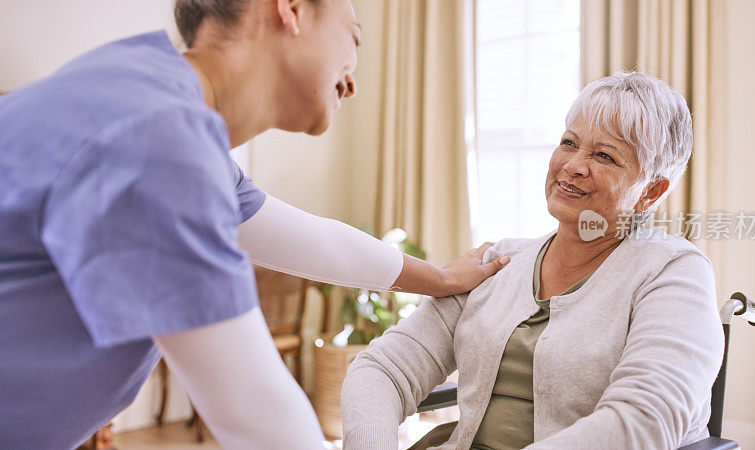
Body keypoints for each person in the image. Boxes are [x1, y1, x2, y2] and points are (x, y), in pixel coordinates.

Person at [0, 0, 509, 448]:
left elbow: (320, 243)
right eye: (352, 37)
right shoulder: (157, 137)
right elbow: (253, 413)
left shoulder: (151, 99)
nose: (353, 80)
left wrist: (438, 278)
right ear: (290, 8)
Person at [341, 72, 726, 449]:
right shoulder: (497, 262)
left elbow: (645, 420)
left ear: (651, 192)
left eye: (604, 155)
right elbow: (382, 369)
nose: (573, 165)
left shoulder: (674, 272)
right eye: (569, 143)